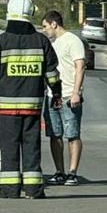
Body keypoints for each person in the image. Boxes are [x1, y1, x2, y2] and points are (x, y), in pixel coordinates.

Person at [0, 0, 62, 199]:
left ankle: (9, 190)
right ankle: (33, 189)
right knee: (31, 148)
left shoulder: (1, 41)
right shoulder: (41, 41)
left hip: (6, 108)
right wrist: (57, 93)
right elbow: (52, 73)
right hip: (32, 107)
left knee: (9, 148)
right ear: (30, 13)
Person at [41, 10, 86, 185]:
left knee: (72, 134)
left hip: (69, 95)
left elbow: (80, 66)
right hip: (53, 95)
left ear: (54, 24)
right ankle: (59, 171)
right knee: (54, 134)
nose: (44, 30)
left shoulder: (73, 41)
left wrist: (76, 92)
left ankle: (72, 171)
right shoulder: (53, 43)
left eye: (45, 26)